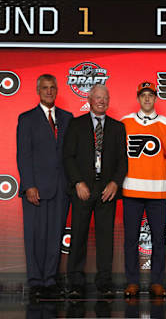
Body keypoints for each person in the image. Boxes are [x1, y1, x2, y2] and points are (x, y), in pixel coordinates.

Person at [63, 84, 128, 298]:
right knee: (79, 235)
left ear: (108, 101)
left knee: (105, 238)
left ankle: (104, 282)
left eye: (105, 98)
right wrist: (78, 182)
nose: (101, 101)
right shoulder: (76, 124)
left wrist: (115, 183)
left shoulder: (118, 127)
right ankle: (75, 282)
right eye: (97, 97)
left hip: (106, 189)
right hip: (82, 188)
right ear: (89, 100)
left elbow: (123, 161)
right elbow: (68, 157)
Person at [16, 74, 73, 299]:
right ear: (38, 91)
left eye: (52, 88)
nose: (49, 91)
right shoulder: (27, 119)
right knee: (35, 236)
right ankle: (35, 280)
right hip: (36, 188)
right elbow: (23, 155)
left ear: (57, 90)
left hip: (61, 188)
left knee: (54, 236)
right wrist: (29, 185)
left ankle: (50, 279)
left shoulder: (68, 117)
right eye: (45, 88)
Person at [121, 82, 166, 298]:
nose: (146, 99)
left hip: (157, 192)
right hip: (131, 190)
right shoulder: (124, 122)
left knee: (159, 239)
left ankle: (157, 282)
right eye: (143, 95)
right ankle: (132, 282)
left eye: (150, 95)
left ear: (155, 98)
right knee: (131, 239)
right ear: (137, 98)